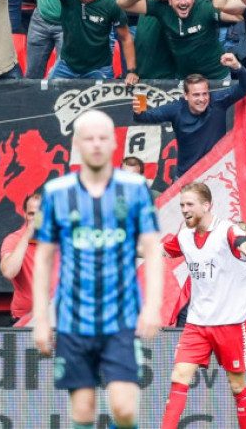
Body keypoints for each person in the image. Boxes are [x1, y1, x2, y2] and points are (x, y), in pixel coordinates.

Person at [32, 110, 163, 429]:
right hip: (73, 319)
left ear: (114, 142)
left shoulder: (133, 189)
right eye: (88, 138)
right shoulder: (57, 192)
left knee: (125, 408)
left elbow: (154, 251)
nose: (96, 144)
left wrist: (153, 307)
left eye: (103, 138)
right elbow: (44, 258)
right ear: (77, 143)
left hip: (120, 317)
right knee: (83, 412)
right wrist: (41, 319)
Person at [160, 183, 246, 429]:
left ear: (207, 206)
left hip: (230, 325)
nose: (184, 209)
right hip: (197, 324)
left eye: (189, 204)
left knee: (237, 386)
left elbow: (240, 241)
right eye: (182, 205)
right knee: (178, 377)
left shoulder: (227, 229)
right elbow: (157, 249)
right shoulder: (184, 235)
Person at [132, 53, 246, 175]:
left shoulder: (218, 101)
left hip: (216, 174)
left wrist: (237, 67)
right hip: (187, 176)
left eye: (205, 93)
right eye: (196, 95)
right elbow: (146, 117)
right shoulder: (176, 109)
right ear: (186, 96)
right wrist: (138, 112)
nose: (202, 99)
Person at [42, 0, 138, 82]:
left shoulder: (109, 3)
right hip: (67, 66)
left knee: (103, 102)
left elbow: (126, 37)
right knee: (46, 94)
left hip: (98, 68)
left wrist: (131, 71)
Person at [0, 191, 42, 327]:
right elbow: (8, 272)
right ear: (24, 215)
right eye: (31, 214)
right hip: (24, 320)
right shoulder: (14, 240)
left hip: (55, 319)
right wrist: (27, 235)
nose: (36, 219)